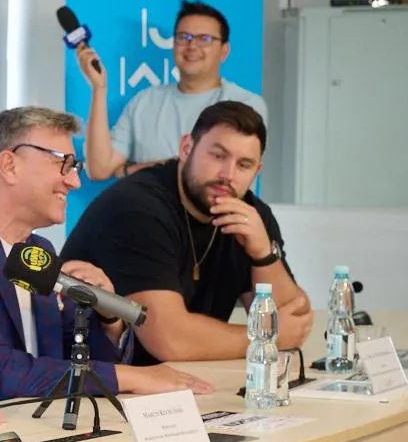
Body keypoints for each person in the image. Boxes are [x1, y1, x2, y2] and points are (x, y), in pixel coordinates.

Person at [0, 107, 212, 401]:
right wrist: (133, 377)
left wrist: (108, 318)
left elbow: (72, 362)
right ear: (9, 165)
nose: (74, 181)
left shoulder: (38, 250)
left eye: (75, 167)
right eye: (63, 164)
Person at [61, 101, 313, 365]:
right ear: (186, 148)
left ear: (256, 171)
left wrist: (263, 255)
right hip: (91, 378)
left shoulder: (250, 216)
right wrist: (264, 337)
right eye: (218, 156)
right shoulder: (138, 208)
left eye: (244, 165)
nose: (227, 175)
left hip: (181, 378)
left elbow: (293, 320)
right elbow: (169, 340)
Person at [80, 0, 268, 181]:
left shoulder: (245, 104)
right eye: (183, 37)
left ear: (224, 51)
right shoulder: (145, 101)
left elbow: (213, 174)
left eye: (204, 39)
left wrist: (129, 170)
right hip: (144, 204)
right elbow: (99, 169)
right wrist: (99, 88)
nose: (192, 46)